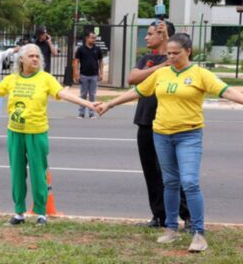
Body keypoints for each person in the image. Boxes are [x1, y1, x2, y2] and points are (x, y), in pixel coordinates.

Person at [96, 33, 243, 253]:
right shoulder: (161, 74)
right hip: (161, 135)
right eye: (169, 53)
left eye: (176, 53)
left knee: (190, 182)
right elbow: (137, 91)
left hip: (189, 136)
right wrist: (110, 104)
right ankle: (171, 229)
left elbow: (228, 91)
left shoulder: (200, 74)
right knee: (170, 182)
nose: (171, 57)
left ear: (188, 51)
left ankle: (199, 234)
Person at [0, 43, 96, 226]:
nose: (35, 59)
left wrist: (89, 104)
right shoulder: (12, 80)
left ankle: (41, 213)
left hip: (37, 133)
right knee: (17, 174)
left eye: (37, 56)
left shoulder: (45, 78)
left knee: (38, 173)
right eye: (31, 56)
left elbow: (63, 94)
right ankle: (19, 212)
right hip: (15, 133)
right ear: (21, 59)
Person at [128, 21, 190, 229]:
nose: (146, 38)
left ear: (163, 36)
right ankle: (159, 216)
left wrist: (166, 57)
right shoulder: (147, 59)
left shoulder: (174, 59)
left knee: (170, 173)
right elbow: (132, 78)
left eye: (151, 34)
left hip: (167, 124)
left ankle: (188, 215)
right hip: (145, 122)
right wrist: (157, 67)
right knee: (151, 173)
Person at [73, 31, 103, 119]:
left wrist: (101, 73)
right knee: (83, 95)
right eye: (92, 37)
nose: (94, 39)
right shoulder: (81, 49)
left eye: (95, 38)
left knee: (93, 95)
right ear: (87, 38)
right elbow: (76, 62)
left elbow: (101, 61)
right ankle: (81, 113)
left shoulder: (97, 49)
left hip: (94, 76)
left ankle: (92, 113)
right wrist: (76, 74)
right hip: (83, 75)